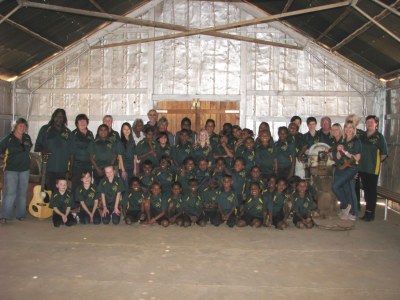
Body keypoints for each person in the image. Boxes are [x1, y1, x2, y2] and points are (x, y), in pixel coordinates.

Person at [0, 118, 32, 223]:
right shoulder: (8, 138)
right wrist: (4, 156)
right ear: (15, 127)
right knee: (10, 193)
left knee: (22, 193)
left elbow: (29, 149)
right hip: (11, 170)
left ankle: (21, 214)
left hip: (25, 169)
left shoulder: (27, 138)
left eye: (24, 126)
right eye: (20, 126)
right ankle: (5, 215)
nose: (22, 128)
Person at [34, 108, 72, 191]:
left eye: (61, 117)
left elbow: (71, 152)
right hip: (48, 168)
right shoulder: (45, 129)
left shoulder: (68, 132)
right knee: (48, 191)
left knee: (60, 192)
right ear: (53, 117)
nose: (59, 119)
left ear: (64, 119)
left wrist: (70, 169)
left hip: (62, 169)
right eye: (57, 116)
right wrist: (43, 150)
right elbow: (37, 146)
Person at [359, 115, 388, 222]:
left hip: (372, 169)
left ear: (376, 124)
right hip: (362, 168)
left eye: (372, 122)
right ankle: (367, 211)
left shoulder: (380, 137)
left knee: (371, 191)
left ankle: (371, 213)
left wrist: (375, 162)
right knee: (366, 190)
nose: (369, 123)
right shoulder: (362, 136)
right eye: (368, 122)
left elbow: (384, 153)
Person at [332, 121, 361, 221]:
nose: (348, 129)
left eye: (350, 127)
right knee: (348, 189)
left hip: (352, 168)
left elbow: (356, 158)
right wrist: (338, 153)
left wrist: (344, 151)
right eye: (346, 127)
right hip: (345, 167)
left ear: (353, 129)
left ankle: (348, 208)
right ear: (344, 129)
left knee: (336, 186)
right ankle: (349, 209)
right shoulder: (344, 140)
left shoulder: (356, 141)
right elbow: (339, 155)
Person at [70, 114, 94, 194]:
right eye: (80, 120)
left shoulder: (90, 134)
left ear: (87, 122)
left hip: (88, 165)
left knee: (87, 185)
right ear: (77, 123)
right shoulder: (73, 134)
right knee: (76, 186)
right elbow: (71, 152)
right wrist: (71, 168)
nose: (82, 122)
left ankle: (87, 204)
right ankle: (75, 205)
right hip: (77, 165)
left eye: (84, 120)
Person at [118, 122, 136, 191]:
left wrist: (134, 168)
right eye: (124, 129)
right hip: (124, 169)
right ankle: (125, 202)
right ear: (122, 131)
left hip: (131, 168)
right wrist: (123, 171)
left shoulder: (132, 141)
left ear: (130, 130)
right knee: (126, 189)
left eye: (128, 129)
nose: (126, 131)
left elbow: (134, 156)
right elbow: (120, 156)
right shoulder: (120, 142)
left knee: (131, 187)